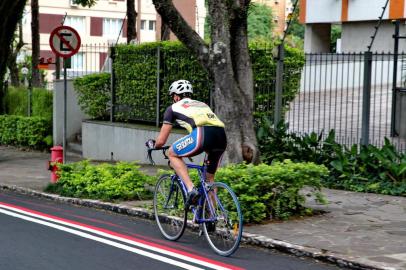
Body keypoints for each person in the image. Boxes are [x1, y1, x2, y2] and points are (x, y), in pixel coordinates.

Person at [147, 80, 227, 207]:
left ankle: (191, 190)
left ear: (177, 96)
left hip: (202, 134)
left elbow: (161, 141)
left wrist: (154, 145)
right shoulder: (202, 104)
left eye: (173, 96)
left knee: (172, 153)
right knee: (209, 178)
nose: (173, 99)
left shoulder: (172, 108)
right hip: (221, 136)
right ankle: (212, 218)